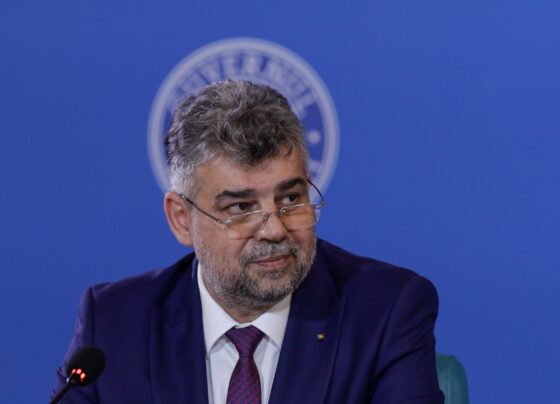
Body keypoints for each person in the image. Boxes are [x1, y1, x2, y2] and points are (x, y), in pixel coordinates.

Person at [53, 80, 444, 403]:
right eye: (241, 207)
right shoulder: (114, 325)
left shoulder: (385, 312)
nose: (274, 230)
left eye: (290, 199)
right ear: (181, 219)